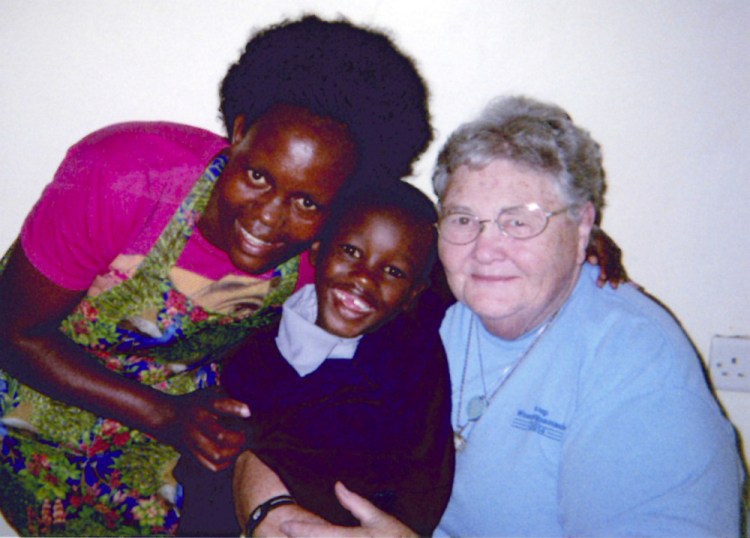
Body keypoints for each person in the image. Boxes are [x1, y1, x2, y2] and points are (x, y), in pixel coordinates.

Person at [0, 15, 433, 536]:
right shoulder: (125, 176)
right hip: (34, 402)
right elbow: (11, 332)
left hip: (179, 431)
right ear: (239, 130)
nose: (267, 220)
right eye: (257, 175)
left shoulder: (330, 256)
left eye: (307, 201)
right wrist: (163, 414)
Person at [280, 96, 744, 537]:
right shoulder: (421, 308)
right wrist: (267, 511)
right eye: (464, 219)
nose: (485, 249)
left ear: (583, 227)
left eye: (520, 220)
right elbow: (282, 420)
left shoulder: (639, 369)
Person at [175, 182, 454, 537]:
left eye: (394, 272)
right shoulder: (251, 352)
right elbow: (212, 467)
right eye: (351, 251)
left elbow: (425, 475)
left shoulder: (412, 361)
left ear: (411, 295)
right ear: (317, 252)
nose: (364, 278)